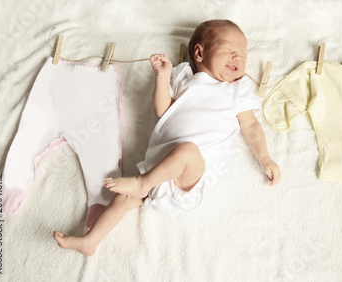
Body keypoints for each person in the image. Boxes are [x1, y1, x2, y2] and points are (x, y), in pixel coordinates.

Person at [54, 19, 281, 256]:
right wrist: (162, 77)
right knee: (122, 199)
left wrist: (265, 157)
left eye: (243, 56)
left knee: (188, 150)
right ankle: (90, 241)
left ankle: (141, 184)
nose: (238, 59)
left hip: (190, 179)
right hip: (159, 169)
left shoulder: (237, 89)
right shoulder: (183, 76)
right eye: (230, 51)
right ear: (199, 52)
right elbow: (163, 110)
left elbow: (251, 125)